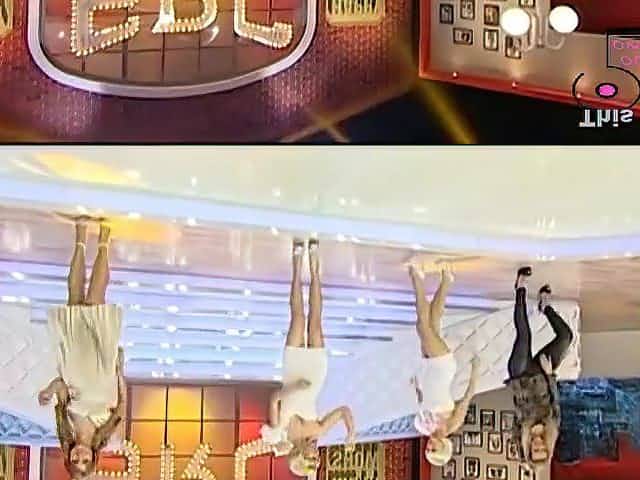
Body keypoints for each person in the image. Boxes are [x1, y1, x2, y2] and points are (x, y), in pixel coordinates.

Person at [38, 217, 126, 479]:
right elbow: (122, 403)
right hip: (101, 366)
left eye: (75, 460)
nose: (79, 456)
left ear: (68, 457)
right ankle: (104, 240)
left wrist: (47, 392)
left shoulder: (66, 426)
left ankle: (80, 234)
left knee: (74, 298)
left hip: (74, 361)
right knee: (95, 300)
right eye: (85, 461)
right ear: (93, 458)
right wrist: (120, 371)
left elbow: (60, 386)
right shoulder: (108, 432)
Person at [260, 239, 355, 477]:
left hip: (293, 371)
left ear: (300, 455)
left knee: (297, 318)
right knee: (315, 320)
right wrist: (351, 433)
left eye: (312, 458)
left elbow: (274, 399)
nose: (316, 455)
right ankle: (314, 267)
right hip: (315, 373)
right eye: (317, 459)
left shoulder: (281, 434)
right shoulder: (318, 430)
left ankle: (296, 264)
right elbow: (344, 410)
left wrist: (293, 389)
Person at [409, 263, 480, 467]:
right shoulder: (451, 424)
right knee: (423, 327)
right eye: (434, 449)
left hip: (426, 371)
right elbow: (467, 398)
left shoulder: (422, 426)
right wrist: (475, 371)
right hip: (442, 367)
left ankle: (447, 279)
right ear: (444, 447)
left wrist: (416, 386)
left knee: (432, 322)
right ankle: (417, 277)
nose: (429, 446)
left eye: (428, 450)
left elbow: (422, 401)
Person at [507, 266, 574, 472]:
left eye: (535, 450)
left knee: (524, 335)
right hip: (542, 375)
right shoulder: (552, 427)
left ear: (529, 449)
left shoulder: (521, 433)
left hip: (520, 376)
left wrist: (526, 462)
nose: (539, 445)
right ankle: (545, 307)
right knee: (566, 337)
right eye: (543, 449)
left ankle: (520, 287)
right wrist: (550, 374)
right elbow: (555, 399)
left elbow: (516, 436)